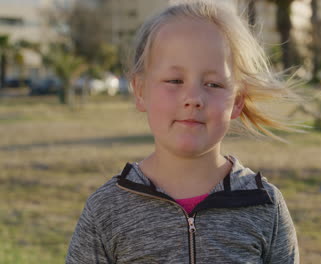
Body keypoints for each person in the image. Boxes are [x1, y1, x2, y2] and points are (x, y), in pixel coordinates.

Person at [66, 1, 300, 263]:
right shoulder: (106, 209)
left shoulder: (264, 205)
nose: (193, 98)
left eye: (213, 83)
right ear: (141, 91)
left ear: (236, 101)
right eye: (175, 81)